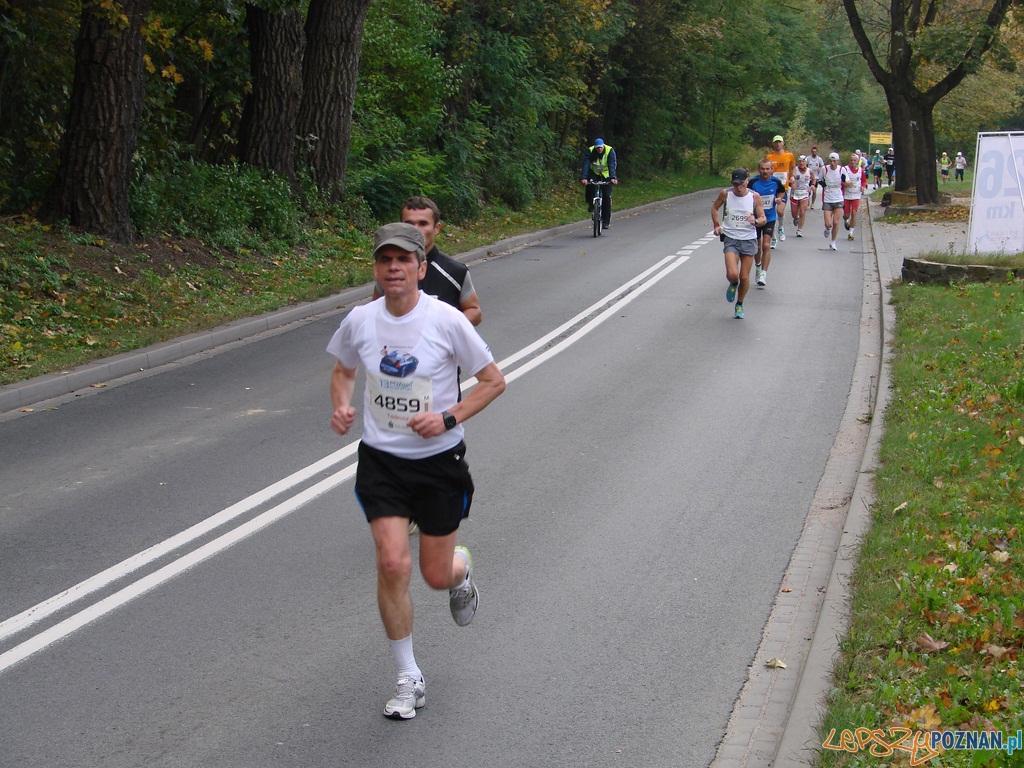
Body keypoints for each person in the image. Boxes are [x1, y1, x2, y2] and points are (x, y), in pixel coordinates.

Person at [327, 222, 507, 720]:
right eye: (385, 260)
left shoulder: (448, 321)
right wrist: (342, 406)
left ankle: (460, 570)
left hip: (438, 464)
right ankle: (408, 677)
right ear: (377, 268)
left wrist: (447, 417)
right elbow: (342, 370)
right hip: (382, 462)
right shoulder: (360, 320)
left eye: (403, 260)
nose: (394, 268)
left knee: (432, 574)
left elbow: (493, 382)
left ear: (421, 268)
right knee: (391, 564)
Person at [373, 197, 482, 326]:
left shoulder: (455, 271)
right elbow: (375, 310)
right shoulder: (391, 269)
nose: (416, 230)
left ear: (436, 227)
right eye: (409, 224)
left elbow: (475, 312)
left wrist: (444, 328)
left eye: (423, 224)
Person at [711, 168, 767, 319]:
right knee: (733, 274)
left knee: (744, 277)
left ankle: (739, 304)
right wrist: (716, 225)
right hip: (731, 237)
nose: (738, 187)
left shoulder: (755, 197)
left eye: (741, 184)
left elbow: (763, 218)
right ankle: (733, 283)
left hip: (748, 239)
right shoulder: (726, 194)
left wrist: (755, 221)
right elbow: (715, 208)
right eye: (735, 184)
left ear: (747, 181)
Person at [748, 159, 786, 286]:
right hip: (756, 219)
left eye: (767, 169)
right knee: (757, 246)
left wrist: (779, 198)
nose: (765, 171)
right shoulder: (753, 182)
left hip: (769, 218)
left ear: (772, 170)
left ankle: (763, 274)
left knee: (766, 245)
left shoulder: (775, 181)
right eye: (762, 169)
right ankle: (758, 267)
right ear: (759, 169)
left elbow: (782, 190)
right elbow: (745, 194)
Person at [580, 138, 618, 229]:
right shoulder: (590, 151)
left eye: (600, 147)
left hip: (606, 173)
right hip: (594, 172)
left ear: (603, 146)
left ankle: (606, 221)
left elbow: (612, 164)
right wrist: (584, 177)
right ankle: (591, 203)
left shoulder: (609, 150)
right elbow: (586, 164)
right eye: (597, 148)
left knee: (606, 196)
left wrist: (613, 177)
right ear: (595, 147)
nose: (599, 149)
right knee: (590, 185)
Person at [765, 135, 796, 245]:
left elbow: (793, 167)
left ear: (783, 143)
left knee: (780, 211)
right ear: (773, 144)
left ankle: (781, 227)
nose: (778, 144)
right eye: (776, 142)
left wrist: (792, 177)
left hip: (783, 187)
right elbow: (765, 169)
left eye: (780, 142)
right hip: (771, 188)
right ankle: (772, 237)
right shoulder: (769, 156)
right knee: (770, 213)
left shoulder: (789, 155)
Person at [820, 152, 844, 251]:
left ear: (838, 161)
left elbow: (847, 181)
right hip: (828, 199)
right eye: (831, 161)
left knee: (836, 222)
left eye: (834, 161)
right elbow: (819, 179)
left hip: (838, 198)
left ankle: (833, 242)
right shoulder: (825, 169)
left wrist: (847, 182)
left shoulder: (842, 170)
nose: (832, 163)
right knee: (829, 223)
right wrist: (823, 185)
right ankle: (827, 228)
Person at [842, 152, 867, 241]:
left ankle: (851, 233)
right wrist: (845, 184)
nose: (853, 162)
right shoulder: (845, 169)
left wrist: (863, 187)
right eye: (851, 160)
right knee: (846, 214)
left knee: (854, 212)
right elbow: (840, 181)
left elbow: (864, 180)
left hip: (856, 194)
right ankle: (846, 220)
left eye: (854, 160)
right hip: (846, 195)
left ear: (857, 161)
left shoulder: (860, 170)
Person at [789, 155, 814, 237]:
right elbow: (790, 178)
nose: (801, 163)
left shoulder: (809, 171)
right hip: (795, 193)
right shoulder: (794, 170)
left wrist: (812, 185)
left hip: (804, 193)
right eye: (800, 161)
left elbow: (814, 179)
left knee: (803, 212)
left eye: (803, 161)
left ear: (806, 162)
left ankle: (799, 230)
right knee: (794, 214)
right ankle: (796, 218)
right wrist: (791, 182)